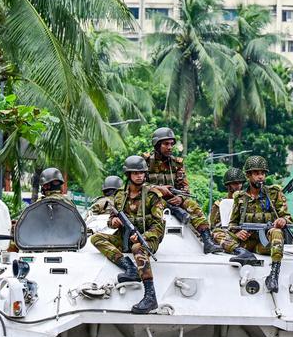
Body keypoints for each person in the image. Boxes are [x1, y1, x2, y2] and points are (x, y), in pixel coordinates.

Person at [89, 156, 165, 314]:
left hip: (147, 238)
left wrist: (144, 235)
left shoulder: (152, 195)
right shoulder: (119, 196)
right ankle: (129, 267)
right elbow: (111, 220)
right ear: (128, 175)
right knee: (96, 238)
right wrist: (114, 221)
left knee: (138, 247)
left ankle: (150, 296)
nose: (139, 176)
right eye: (135, 173)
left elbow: (159, 226)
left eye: (142, 173)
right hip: (124, 236)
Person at [143, 127, 221, 253]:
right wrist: (157, 189)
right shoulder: (144, 162)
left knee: (192, 205)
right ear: (157, 145)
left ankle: (207, 240)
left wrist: (180, 198)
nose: (170, 147)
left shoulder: (177, 164)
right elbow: (136, 184)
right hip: (151, 200)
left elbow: (185, 188)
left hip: (173, 199)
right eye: (166, 144)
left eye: (171, 144)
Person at [221, 155, 293, 293]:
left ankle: (273, 274)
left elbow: (287, 217)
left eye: (262, 173)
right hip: (246, 244)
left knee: (277, 232)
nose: (260, 177)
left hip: (264, 244)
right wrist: (237, 232)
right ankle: (241, 252)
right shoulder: (240, 197)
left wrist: (282, 220)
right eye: (256, 173)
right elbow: (232, 224)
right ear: (248, 175)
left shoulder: (273, 193)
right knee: (221, 236)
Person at [209, 167, 245, 249]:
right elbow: (213, 226)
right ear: (228, 185)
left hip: (243, 234)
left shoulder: (247, 201)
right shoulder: (219, 204)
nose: (238, 186)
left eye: (240, 183)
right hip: (226, 235)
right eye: (235, 183)